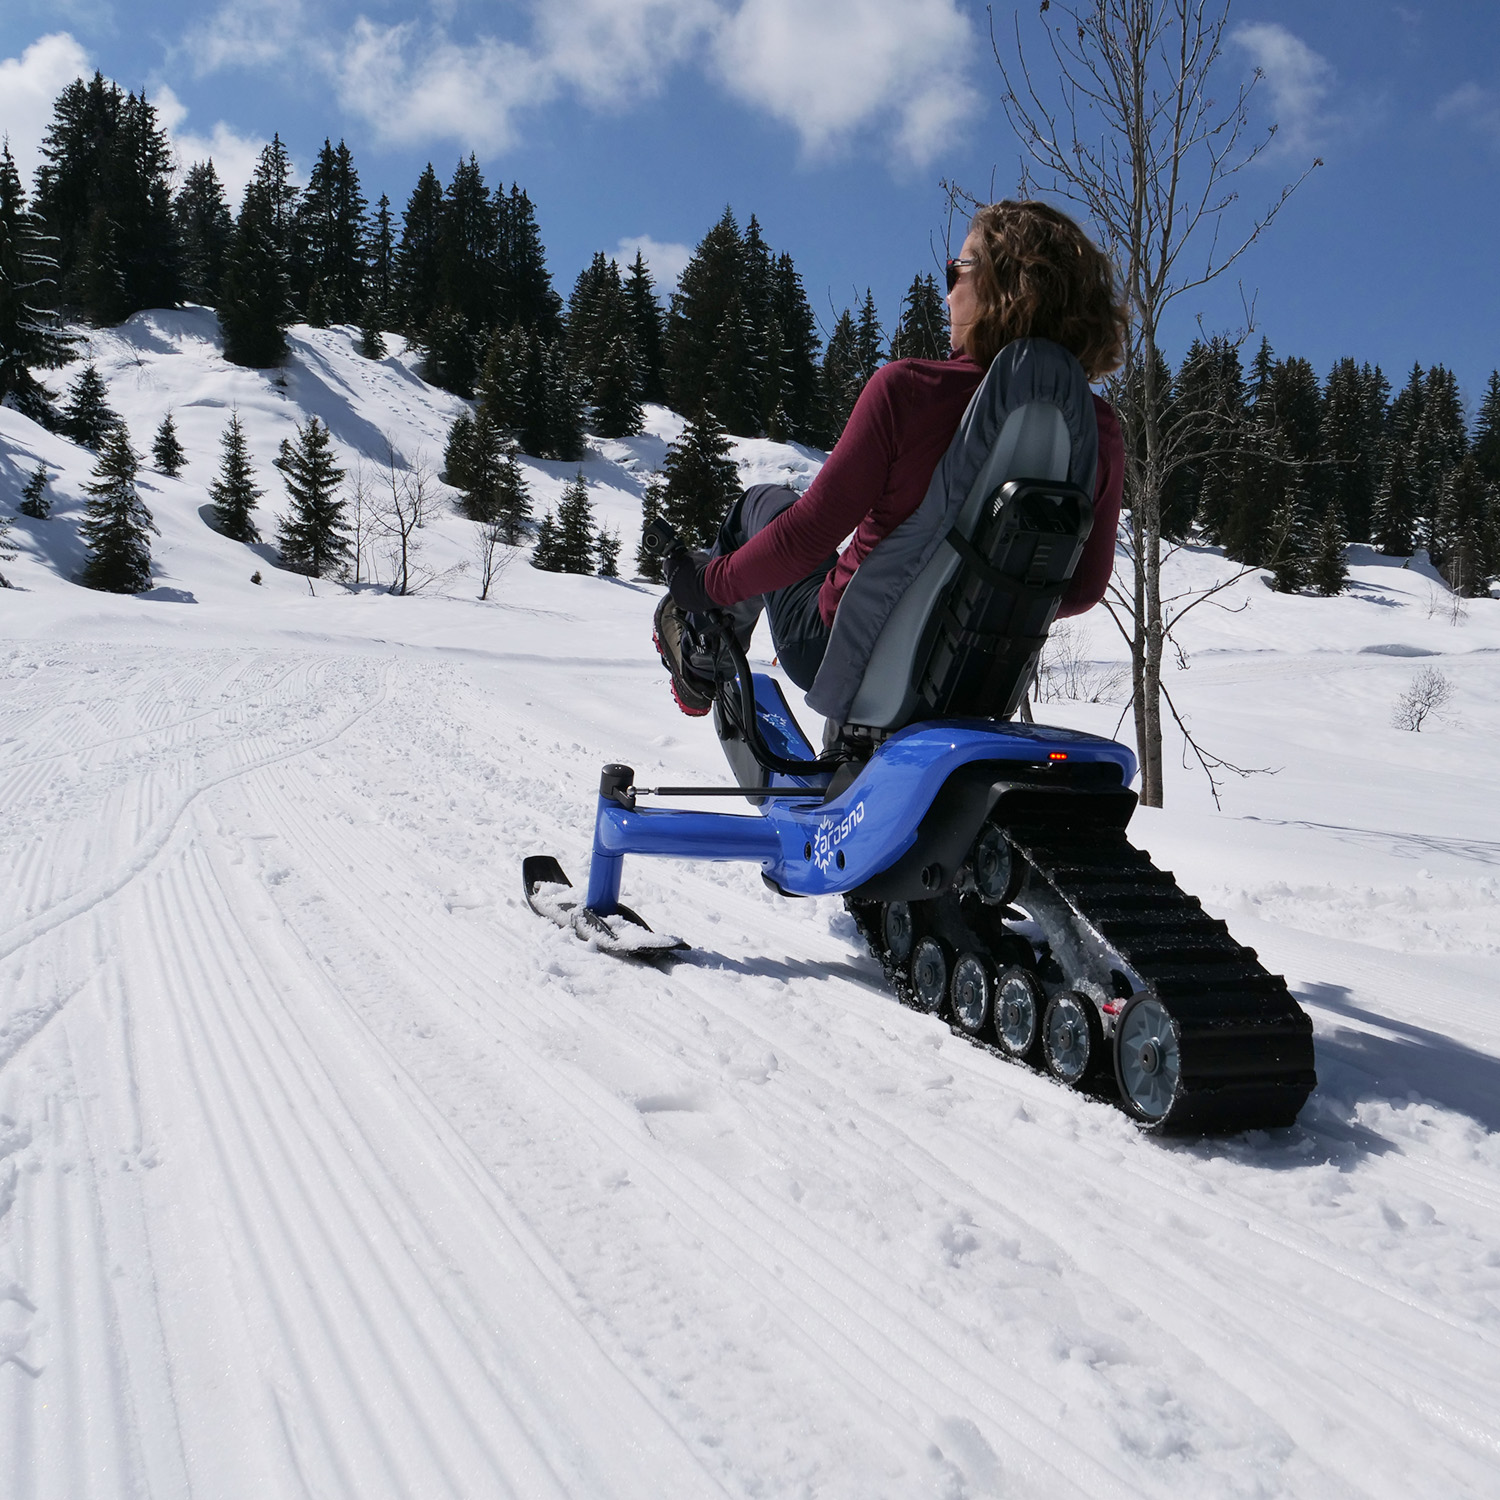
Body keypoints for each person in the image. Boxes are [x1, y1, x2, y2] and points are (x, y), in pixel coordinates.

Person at [653, 199, 1130, 718]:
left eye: (958, 270)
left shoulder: (908, 390)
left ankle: (700, 660)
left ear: (1002, 287)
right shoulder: (1099, 433)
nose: (947, 293)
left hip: (842, 655)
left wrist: (703, 584)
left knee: (761, 504)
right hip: (975, 679)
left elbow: (804, 537)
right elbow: (1082, 589)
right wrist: (972, 607)